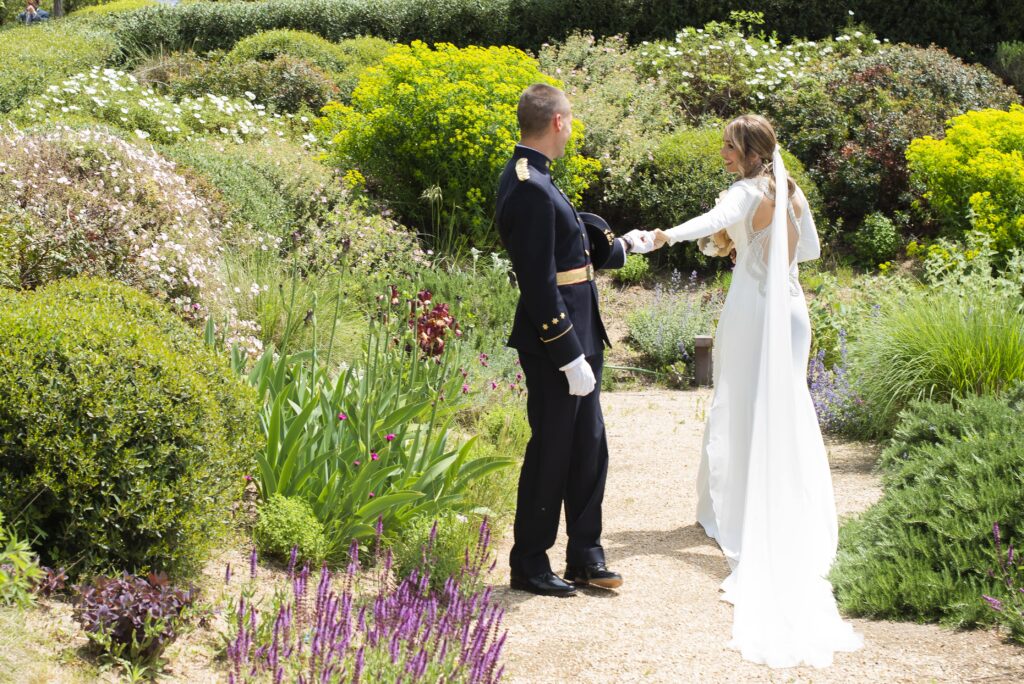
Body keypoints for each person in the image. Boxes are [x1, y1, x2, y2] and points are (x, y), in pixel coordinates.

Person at [642, 114, 863, 666]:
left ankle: (736, 510)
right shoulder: (792, 191)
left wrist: (668, 235)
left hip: (750, 312)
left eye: (730, 145)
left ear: (750, 151)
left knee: (739, 408)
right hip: (791, 312)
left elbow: (713, 219)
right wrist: (750, 244)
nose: (723, 152)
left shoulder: (740, 193)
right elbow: (806, 252)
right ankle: (788, 506)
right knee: (787, 408)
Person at [495, 83, 654, 597]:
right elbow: (538, 281)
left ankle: (585, 554)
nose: (572, 128)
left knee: (589, 447)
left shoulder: (539, 177)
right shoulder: (529, 185)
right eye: (571, 120)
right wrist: (566, 354)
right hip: (556, 343)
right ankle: (530, 561)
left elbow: (571, 250)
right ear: (558, 122)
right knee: (552, 451)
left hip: (581, 333)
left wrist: (620, 248)